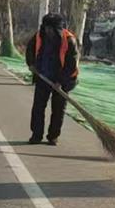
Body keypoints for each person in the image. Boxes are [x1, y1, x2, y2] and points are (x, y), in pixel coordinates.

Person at [25, 13, 79, 145]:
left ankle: (53, 136)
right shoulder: (39, 36)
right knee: (38, 107)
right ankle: (36, 135)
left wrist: (60, 82)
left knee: (58, 110)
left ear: (58, 29)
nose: (48, 31)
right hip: (43, 77)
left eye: (51, 28)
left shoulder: (69, 40)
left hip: (62, 80)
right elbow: (30, 50)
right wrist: (31, 64)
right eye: (46, 27)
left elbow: (71, 65)